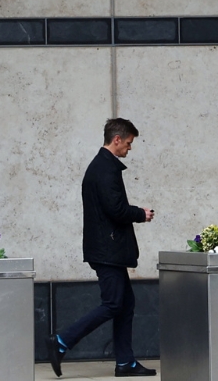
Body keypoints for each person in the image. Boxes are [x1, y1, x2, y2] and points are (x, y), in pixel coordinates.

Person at [47, 118, 156, 378]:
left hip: (108, 250)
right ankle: (61, 341)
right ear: (116, 139)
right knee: (113, 304)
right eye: (128, 143)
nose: (129, 148)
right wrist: (140, 214)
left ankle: (125, 363)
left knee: (124, 304)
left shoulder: (103, 166)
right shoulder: (105, 169)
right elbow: (115, 209)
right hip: (108, 251)